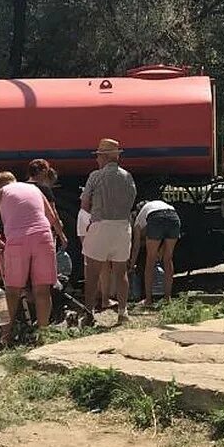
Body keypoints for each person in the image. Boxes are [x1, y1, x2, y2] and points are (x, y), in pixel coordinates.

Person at [0, 171, 67, 339]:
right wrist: (62, 237)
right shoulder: (35, 189)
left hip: (17, 241)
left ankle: (5, 336)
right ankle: (43, 333)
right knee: (42, 290)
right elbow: (52, 217)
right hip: (43, 237)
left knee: (12, 291)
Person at [81, 138, 136, 324]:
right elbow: (131, 200)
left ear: (103, 157)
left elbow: (85, 203)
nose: (97, 160)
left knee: (93, 272)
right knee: (121, 272)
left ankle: (89, 313)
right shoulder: (127, 176)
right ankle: (123, 311)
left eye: (98, 156)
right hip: (122, 226)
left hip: (101, 225)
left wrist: (95, 214)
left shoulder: (95, 176)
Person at [130, 200, 181, 305]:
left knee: (150, 260)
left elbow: (136, 246)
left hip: (156, 218)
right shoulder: (160, 204)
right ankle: (168, 298)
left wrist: (131, 264)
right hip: (174, 216)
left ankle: (148, 300)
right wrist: (160, 252)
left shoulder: (138, 219)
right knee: (168, 259)